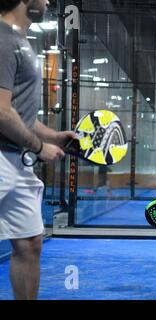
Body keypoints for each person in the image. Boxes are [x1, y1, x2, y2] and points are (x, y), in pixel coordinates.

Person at [0, 0, 76, 299]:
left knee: (30, 242)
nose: (47, 2)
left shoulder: (21, 43)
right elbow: (2, 113)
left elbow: (21, 115)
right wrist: (39, 146)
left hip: (16, 161)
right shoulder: (3, 40)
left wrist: (54, 136)